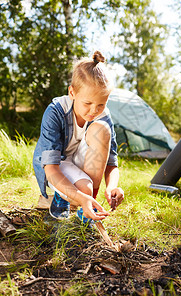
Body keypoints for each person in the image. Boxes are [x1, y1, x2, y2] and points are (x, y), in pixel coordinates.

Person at [33, 50, 124, 224]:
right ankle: (64, 201)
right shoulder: (55, 111)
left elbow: (111, 163)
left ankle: (87, 212)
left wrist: (112, 187)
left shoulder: (103, 115)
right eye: (87, 103)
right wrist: (81, 196)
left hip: (80, 161)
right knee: (84, 189)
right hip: (55, 165)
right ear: (72, 93)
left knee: (102, 130)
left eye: (101, 104)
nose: (94, 111)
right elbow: (51, 169)